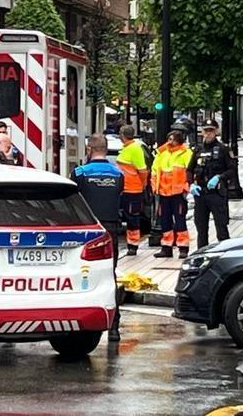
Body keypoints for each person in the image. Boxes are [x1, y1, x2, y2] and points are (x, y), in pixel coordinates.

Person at [70, 133, 124, 342]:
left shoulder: (80, 173)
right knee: (110, 275)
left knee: (81, 275)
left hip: (87, 231)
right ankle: (114, 327)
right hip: (110, 229)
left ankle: (80, 323)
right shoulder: (117, 174)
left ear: (89, 150)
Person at [188, 120, 236, 249]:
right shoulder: (198, 149)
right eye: (206, 130)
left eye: (211, 130)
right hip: (200, 194)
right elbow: (189, 169)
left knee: (221, 227)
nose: (208, 133)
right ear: (202, 132)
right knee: (201, 229)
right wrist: (191, 184)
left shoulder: (223, 149)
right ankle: (201, 256)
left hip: (217, 194)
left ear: (216, 132)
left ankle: (225, 253)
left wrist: (219, 177)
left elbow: (232, 169)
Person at [151, 122, 194, 259]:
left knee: (180, 220)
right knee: (165, 221)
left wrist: (186, 189)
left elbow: (190, 172)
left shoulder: (186, 153)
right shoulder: (162, 153)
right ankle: (166, 248)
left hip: (178, 193)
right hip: (164, 193)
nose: (169, 142)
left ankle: (183, 248)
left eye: (172, 140)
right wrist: (155, 188)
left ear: (179, 141)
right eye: (169, 139)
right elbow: (155, 171)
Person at [114, 124, 149, 256]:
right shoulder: (128, 148)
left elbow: (142, 170)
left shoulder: (134, 149)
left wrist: (142, 184)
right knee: (129, 217)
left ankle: (133, 245)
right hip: (126, 189)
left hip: (132, 190)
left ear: (122, 135)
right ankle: (131, 244)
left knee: (132, 218)